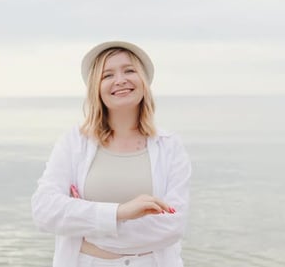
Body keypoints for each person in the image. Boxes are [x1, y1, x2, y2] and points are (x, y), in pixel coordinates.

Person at [31, 41, 191, 267]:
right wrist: (121, 212)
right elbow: (44, 210)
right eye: (107, 75)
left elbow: (172, 226)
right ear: (96, 87)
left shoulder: (170, 146)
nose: (120, 80)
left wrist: (86, 226)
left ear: (143, 81)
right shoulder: (74, 143)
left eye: (129, 70)